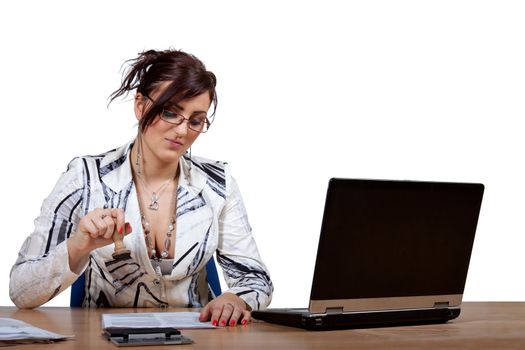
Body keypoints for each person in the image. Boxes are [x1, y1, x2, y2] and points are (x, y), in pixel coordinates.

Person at [9, 48, 273, 327]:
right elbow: (21, 291)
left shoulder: (217, 184)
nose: (183, 131)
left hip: (197, 340)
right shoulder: (86, 178)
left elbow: (254, 278)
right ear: (140, 106)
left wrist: (237, 299)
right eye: (170, 112)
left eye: (196, 120)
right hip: (103, 343)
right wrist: (79, 245)